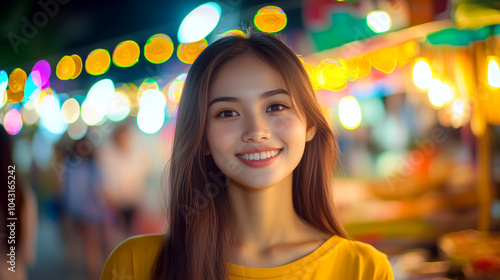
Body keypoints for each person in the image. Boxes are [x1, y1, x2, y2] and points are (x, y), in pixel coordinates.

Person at [101, 29, 394, 280]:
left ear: (310, 124)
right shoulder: (136, 265)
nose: (257, 131)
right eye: (227, 113)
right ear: (201, 137)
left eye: (276, 106)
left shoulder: (364, 269)